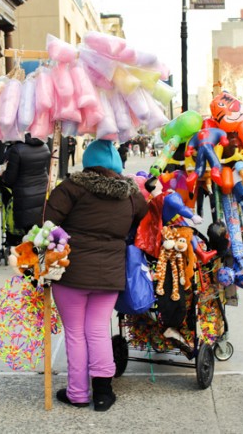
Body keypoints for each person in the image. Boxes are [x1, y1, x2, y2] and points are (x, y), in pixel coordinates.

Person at [44, 139, 148, 411]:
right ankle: (103, 393)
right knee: (99, 330)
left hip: (70, 273)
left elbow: (46, 226)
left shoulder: (69, 188)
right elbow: (142, 220)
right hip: (110, 273)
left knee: (75, 333)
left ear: (87, 161)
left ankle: (77, 393)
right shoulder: (131, 194)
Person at [0, 133, 51, 246]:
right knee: (38, 228)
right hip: (41, 191)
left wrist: (2, 175)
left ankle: (28, 255)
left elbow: (10, 179)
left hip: (24, 196)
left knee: (26, 231)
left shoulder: (16, 150)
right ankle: (38, 254)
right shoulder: (45, 146)